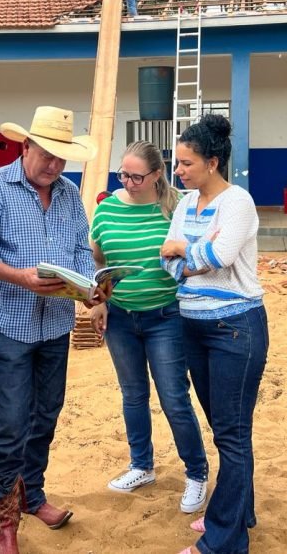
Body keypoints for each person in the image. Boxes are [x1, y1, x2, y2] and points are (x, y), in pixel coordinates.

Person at [0, 105, 111, 554]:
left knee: (47, 414)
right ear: (26, 147)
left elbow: (81, 249)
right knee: (11, 421)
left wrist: (90, 287)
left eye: (63, 158)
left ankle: (32, 495)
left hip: (57, 323)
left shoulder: (67, 193)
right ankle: (4, 519)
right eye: (47, 155)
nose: (55, 165)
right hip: (12, 324)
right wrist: (17, 275)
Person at [160, 115, 268, 554]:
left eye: (186, 164)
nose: (179, 172)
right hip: (193, 326)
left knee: (231, 433)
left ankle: (224, 540)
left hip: (235, 328)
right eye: (177, 163)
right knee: (226, 428)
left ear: (212, 162)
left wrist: (186, 249)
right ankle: (237, 511)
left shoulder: (237, 202)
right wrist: (192, 256)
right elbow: (166, 261)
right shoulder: (186, 205)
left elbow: (219, 257)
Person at [90, 141, 209, 514]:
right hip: (122, 318)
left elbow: (195, 256)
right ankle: (141, 465)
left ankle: (197, 472)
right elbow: (99, 258)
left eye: (136, 176)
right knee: (132, 394)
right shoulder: (107, 208)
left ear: (157, 175)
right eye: (122, 174)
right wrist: (100, 302)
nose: (127, 181)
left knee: (174, 396)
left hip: (166, 316)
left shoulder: (175, 209)